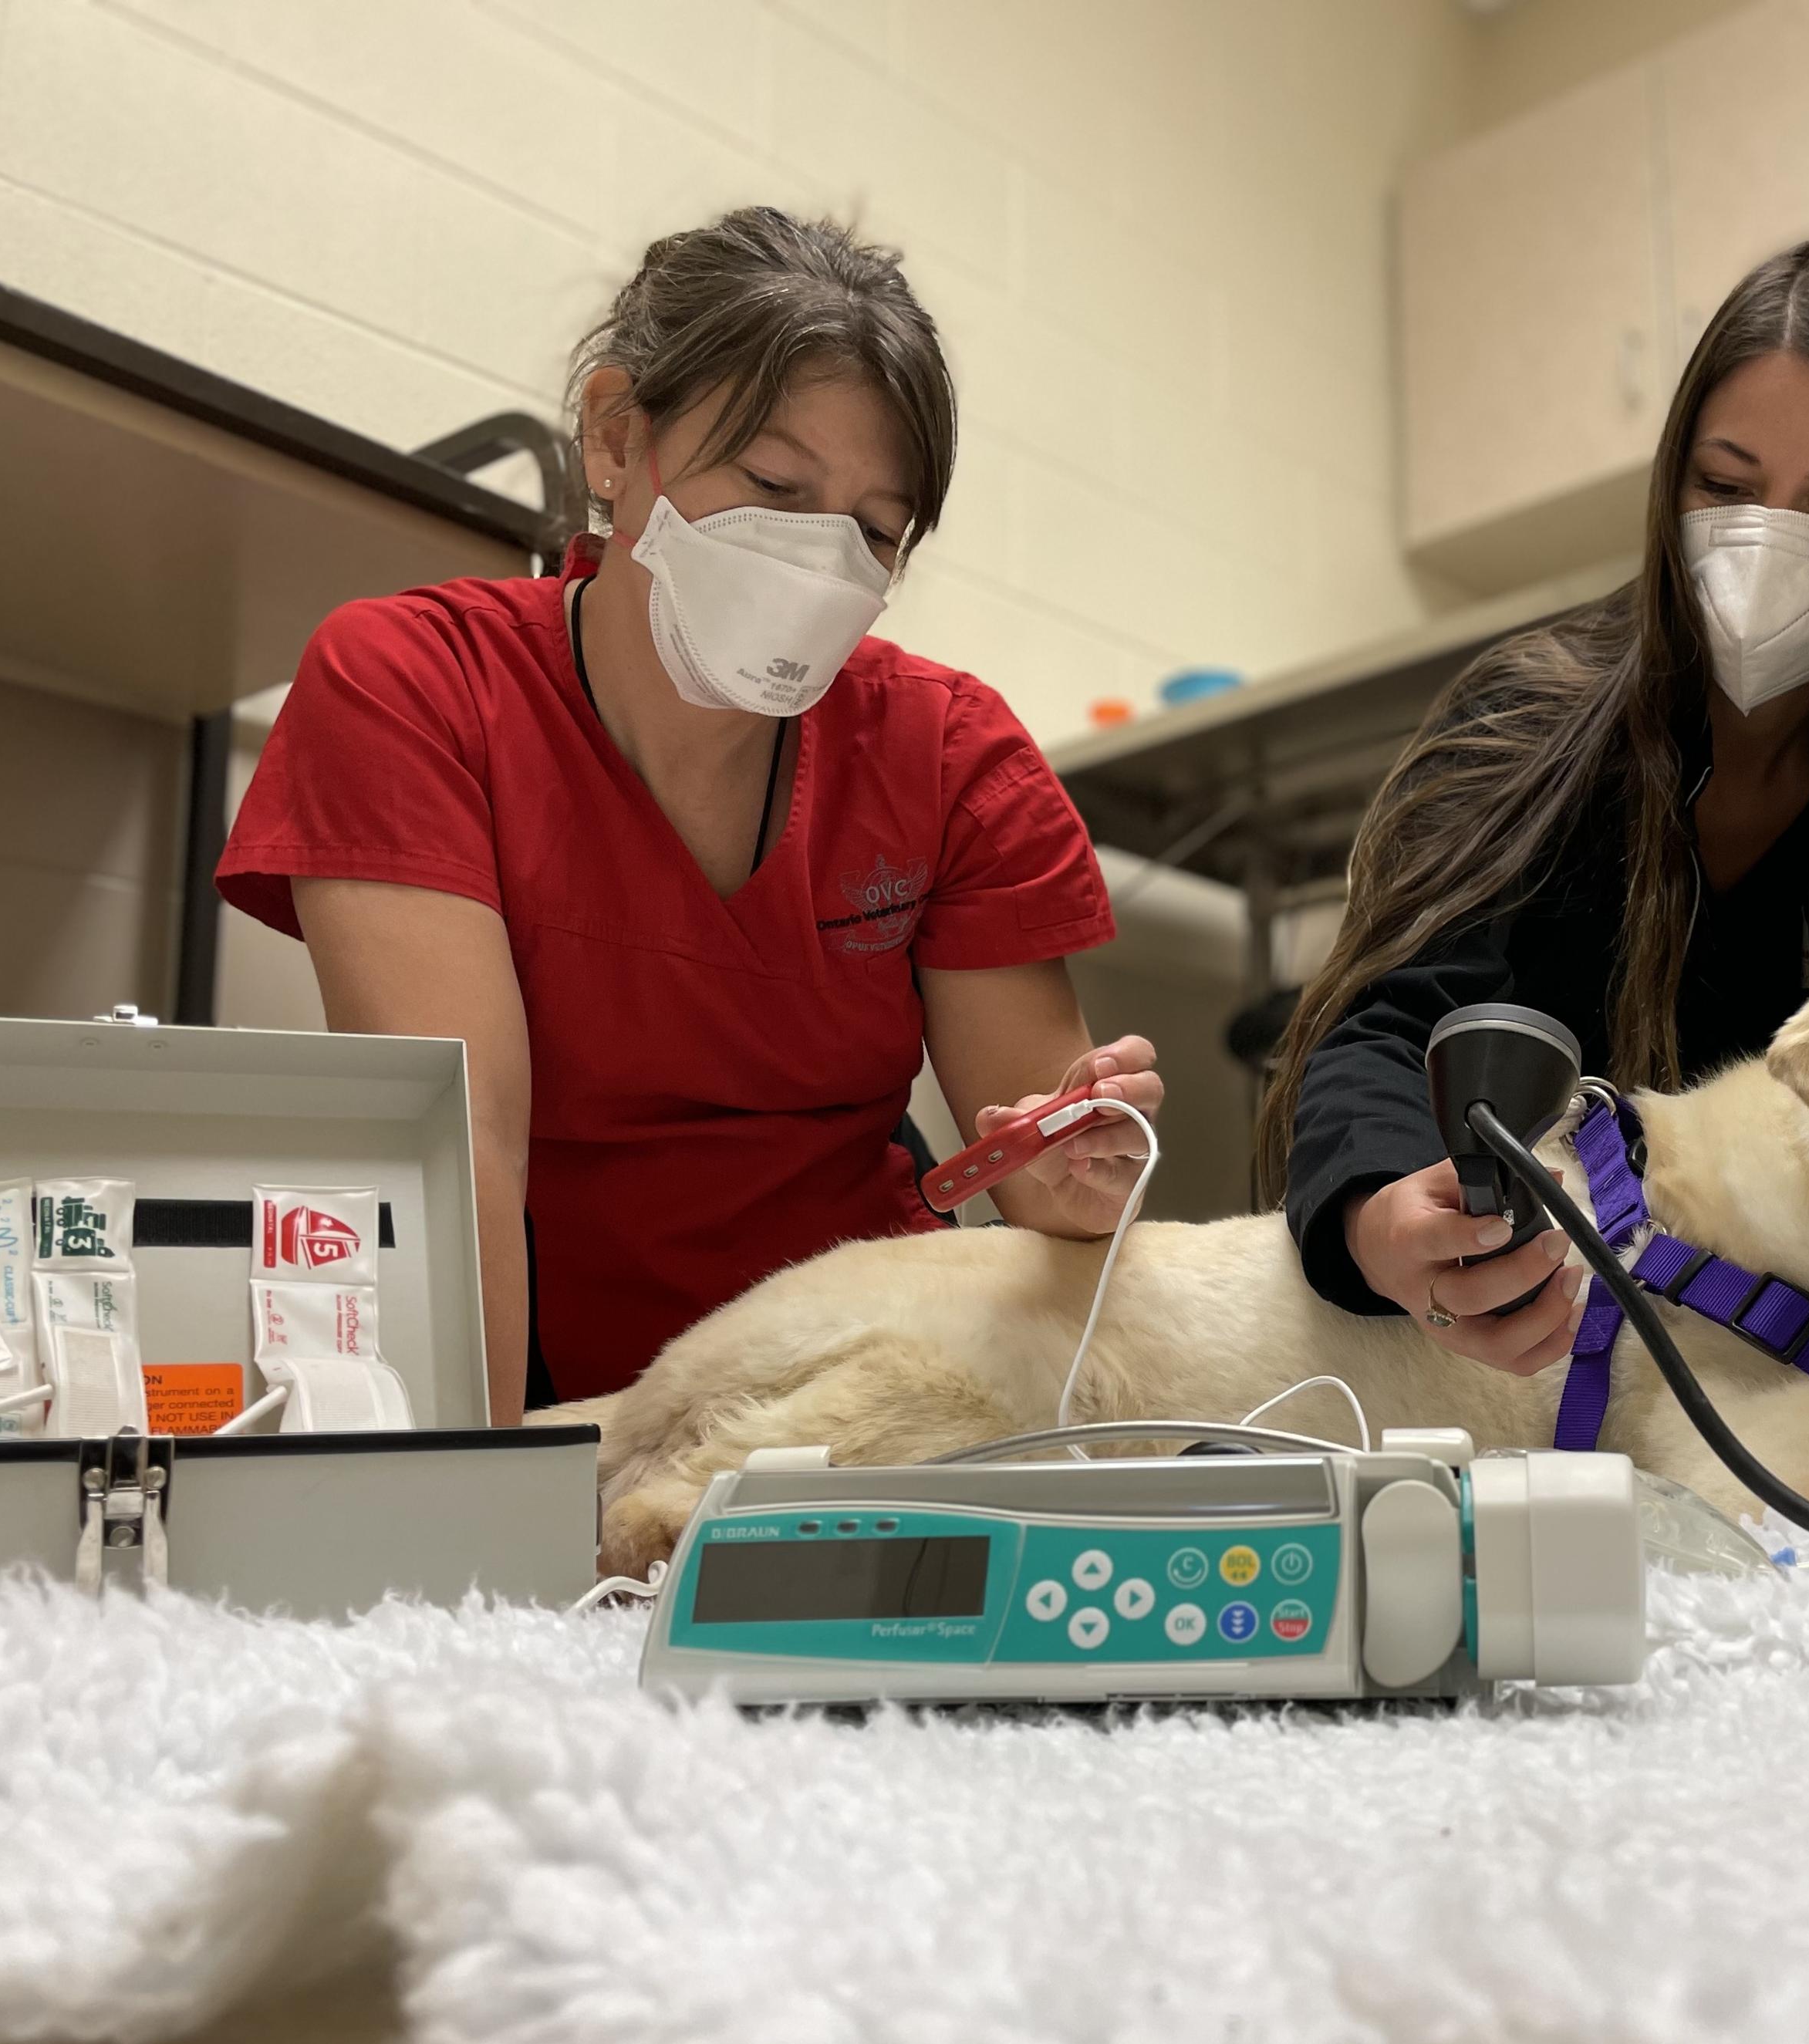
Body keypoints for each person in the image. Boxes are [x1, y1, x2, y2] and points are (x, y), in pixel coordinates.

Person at [220, 210, 1160, 1418]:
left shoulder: (949, 754)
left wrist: (1086, 1171)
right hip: (557, 1388)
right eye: (774, 485)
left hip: (859, 1377)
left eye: (873, 531)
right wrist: (488, 1532)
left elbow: (1041, 1180)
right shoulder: (415, 686)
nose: (823, 562)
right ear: (618, 440)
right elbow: (461, 1162)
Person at [1265, 235, 1809, 1374]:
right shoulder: (1533, 723)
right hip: (1522, 1348)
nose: (1767, 543)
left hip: (1780, 1361)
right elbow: (1386, 1031)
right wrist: (1385, 1219)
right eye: (1725, 489)